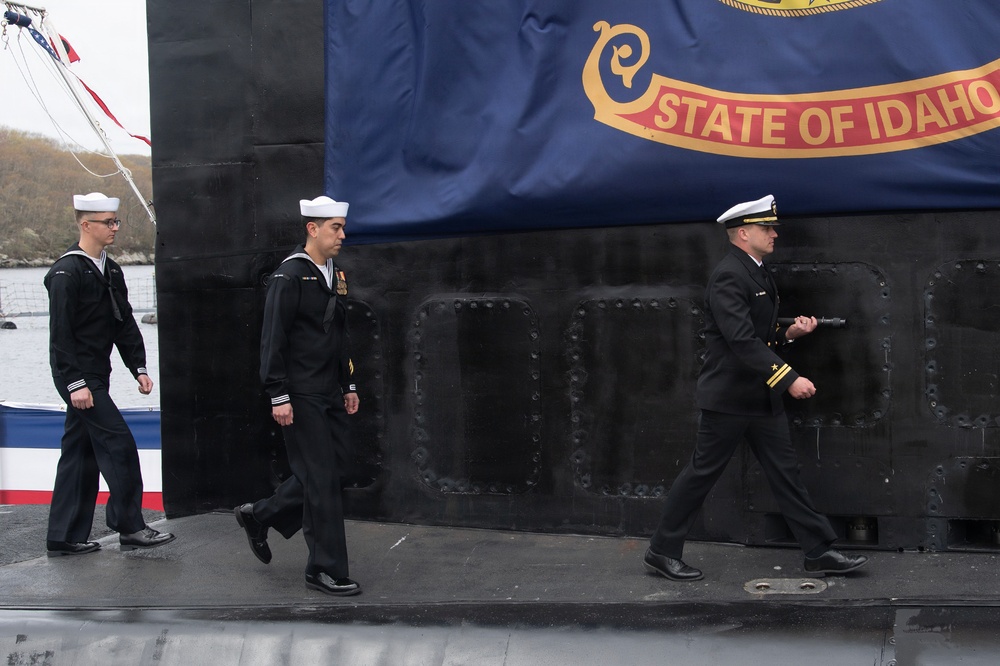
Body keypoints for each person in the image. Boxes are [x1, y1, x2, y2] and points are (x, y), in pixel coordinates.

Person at [644, 194, 867, 581]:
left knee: (786, 473)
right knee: (702, 474)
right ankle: (662, 552)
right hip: (730, 398)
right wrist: (789, 377)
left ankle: (818, 551)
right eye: (767, 228)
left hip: (759, 396)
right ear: (743, 233)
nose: (775, 233)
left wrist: (789, 332)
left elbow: (759, 332)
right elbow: (741, 340)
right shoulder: (730, 274)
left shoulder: (756, 270)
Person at [235, 195, 361, 597]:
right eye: (335, 228)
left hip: (328, 390)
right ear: (313, 229)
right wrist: (278, 395)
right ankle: (323, 569)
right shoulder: (290, 276)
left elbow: (339, 336)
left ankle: (261, 515)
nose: (342, 234)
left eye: (342, 227)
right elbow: (272, 340)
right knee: (320, 478)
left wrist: (348, 384)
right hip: (300, 393)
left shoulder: (333, 274)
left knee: (337, 469)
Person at [44, 192, 176, 556]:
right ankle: (129, 526)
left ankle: (64, 536)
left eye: (116, 221)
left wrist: (139, 367)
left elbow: (124, 322)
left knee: (79, 453)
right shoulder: (65, 272)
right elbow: (61, 338)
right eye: (108, 222)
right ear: (85, 224)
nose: (114, 228)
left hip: (97, 374)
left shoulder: (111, 269)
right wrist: (75, 384)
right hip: (78, 376)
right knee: (118, 444)